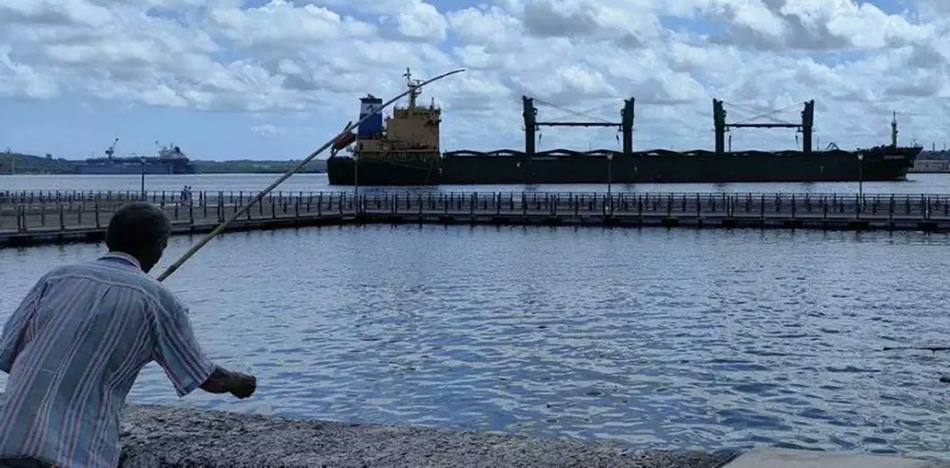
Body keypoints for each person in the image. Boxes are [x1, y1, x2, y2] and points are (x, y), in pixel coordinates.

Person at [0, 202, 257, 468]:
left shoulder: (55, 278)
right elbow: (207, 378)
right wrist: (241, 383)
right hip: (75, 454)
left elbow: (8, 353)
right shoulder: (160, 301)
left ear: (107, 238)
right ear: (158, 246)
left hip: (8, 439)